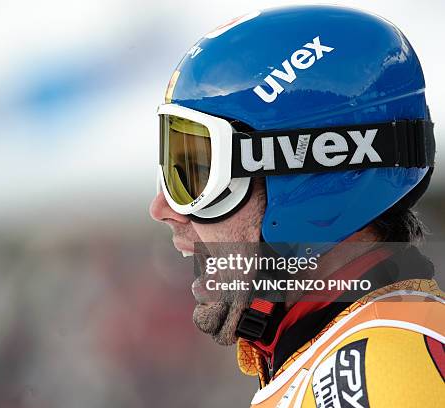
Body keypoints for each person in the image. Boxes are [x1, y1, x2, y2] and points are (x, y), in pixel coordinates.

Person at [150, 5, 444, 407]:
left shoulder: (385, 370)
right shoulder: (344, 357)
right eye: (174, 166)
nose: (164, 208)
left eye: (198, 173)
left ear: (312, 186)